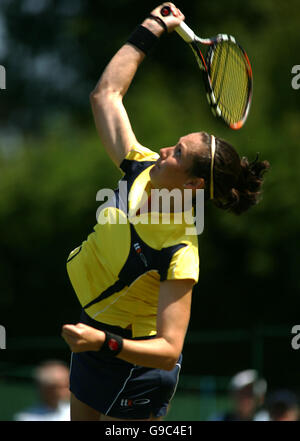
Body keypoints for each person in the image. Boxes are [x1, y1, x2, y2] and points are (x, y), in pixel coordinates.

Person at [61, 3, 270, 421]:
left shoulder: (179, 250)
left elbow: (169, 349)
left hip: (135, 363)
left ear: (193, 184)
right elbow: (105, 95)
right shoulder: (138, 165)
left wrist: (104, 344)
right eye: (174, 143)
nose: (163, 150)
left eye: (176, 154)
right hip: (93, 335)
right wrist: (152, 27)